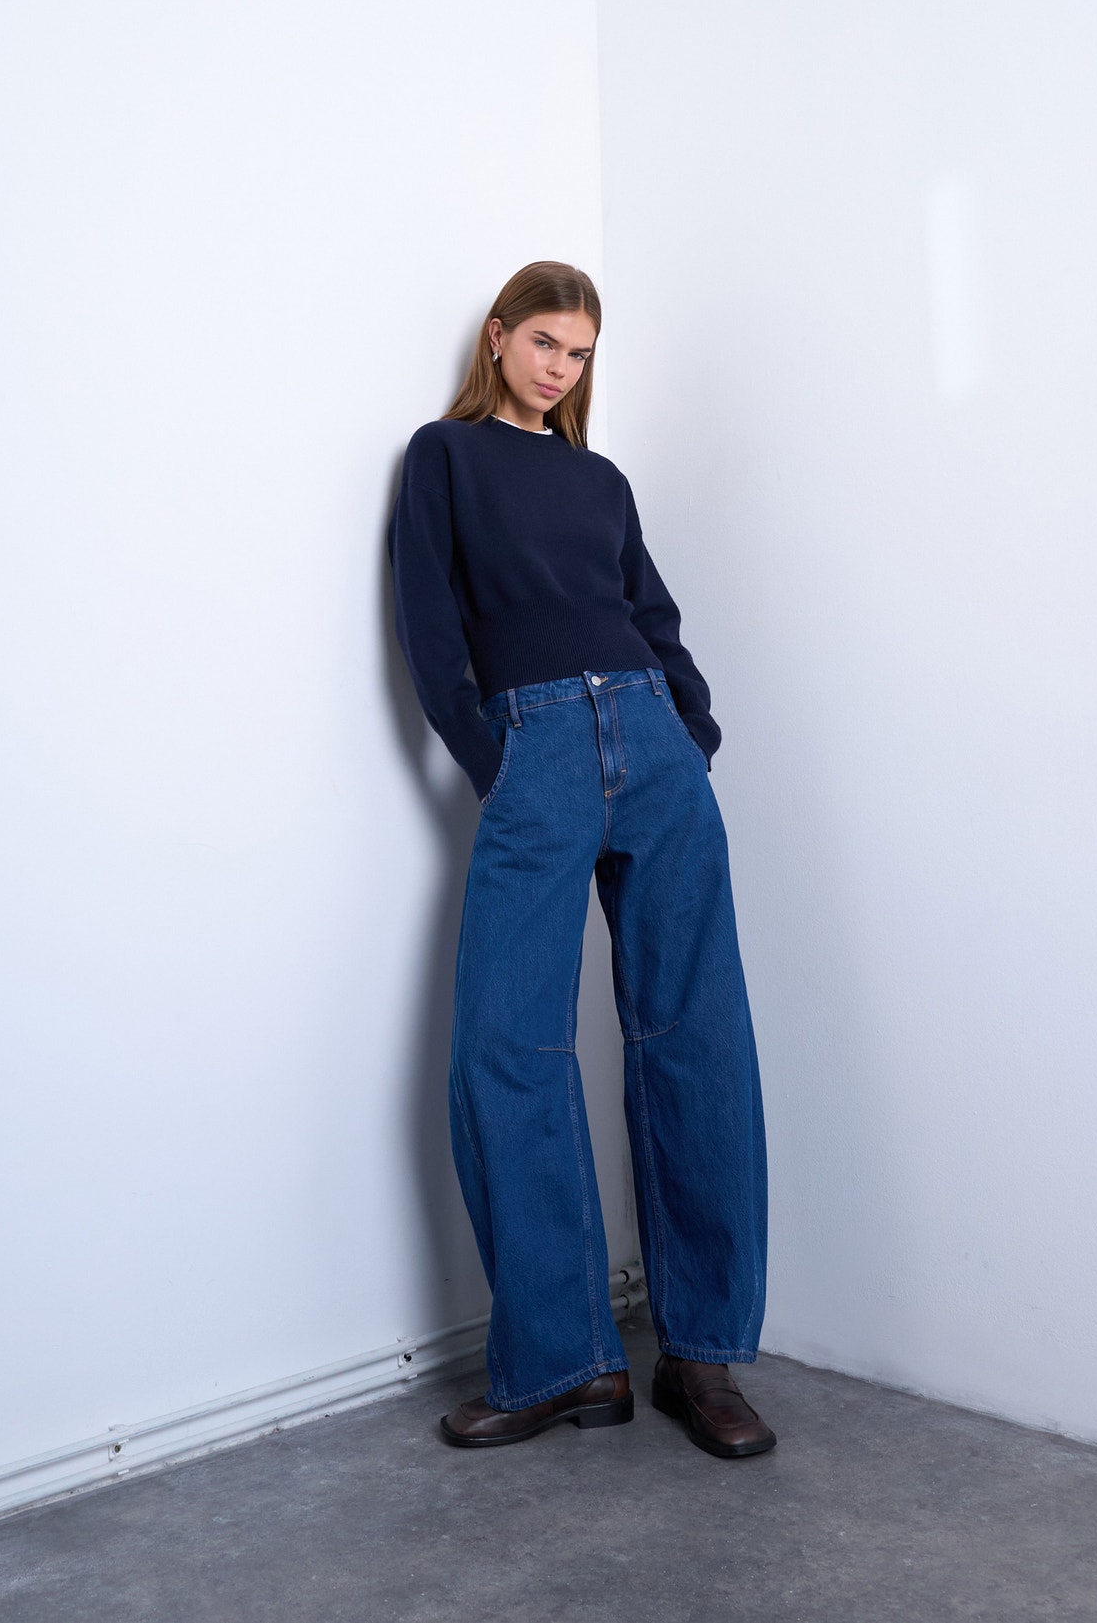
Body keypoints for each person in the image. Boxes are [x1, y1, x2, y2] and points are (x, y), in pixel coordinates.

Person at [387, 261, 773, 1458]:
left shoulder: (599, 480)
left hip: (651, 741)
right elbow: (429, 624)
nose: (561, 367)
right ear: (498, 338)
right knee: (504, 1045)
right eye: (545, 342)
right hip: (536, 746)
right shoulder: (443, 459)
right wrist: (495, 758)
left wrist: (690, 729)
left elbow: (649, 612)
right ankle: (566, 1361)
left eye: (581, 352)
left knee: (693, 1037)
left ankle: (699, 1355)